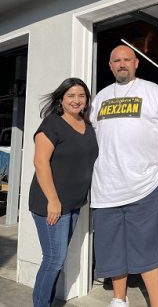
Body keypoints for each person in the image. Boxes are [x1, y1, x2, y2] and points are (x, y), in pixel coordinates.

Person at [91, 45, 158, 307]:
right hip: (106, 188)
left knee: (148, 249)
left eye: (126, 60)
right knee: (112, 248)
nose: (122, 64)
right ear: (110, 66)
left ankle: (156, 304)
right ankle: (119, 299)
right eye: (116, 60)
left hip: (145, 186)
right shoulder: (101, 97)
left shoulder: (152, 91)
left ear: (136, 63)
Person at [29, 78, 99, 307]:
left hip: (74, 204)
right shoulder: (52, 124)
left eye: (81, 96)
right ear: (61, 99)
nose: (76, 100)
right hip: (51, 203)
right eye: (71, 96)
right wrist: (53, 200)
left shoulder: (87, 126)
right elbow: (40, 162)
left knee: (56, 260)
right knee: (53, 259)